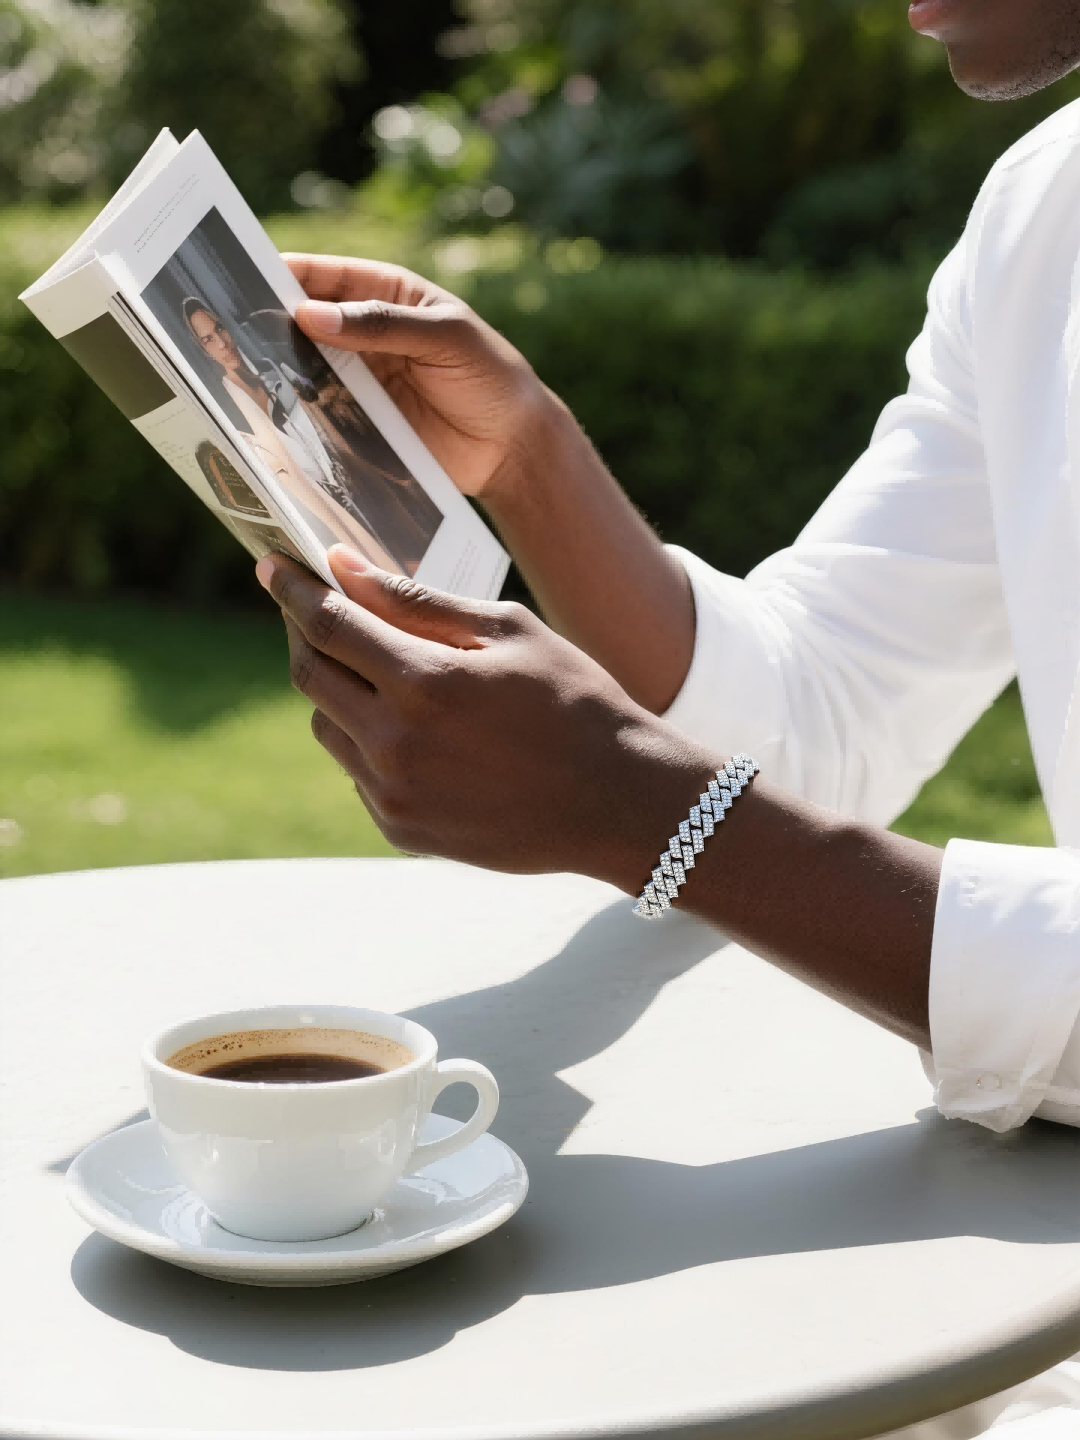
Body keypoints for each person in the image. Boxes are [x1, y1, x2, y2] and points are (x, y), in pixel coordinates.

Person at [255, 2, 1080, 1434]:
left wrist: (643, 814)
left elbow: (707, 797)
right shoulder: (1045, 215)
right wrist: (534, 460)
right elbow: (833, 702)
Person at [181, 299, 398, 571]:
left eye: (220, 328)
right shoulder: (228, 405)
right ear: (203, 350)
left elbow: (316, 421)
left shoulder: (269, 369)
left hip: (346, 482)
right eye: (208, 339)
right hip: (317, 515)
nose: (222, 343)